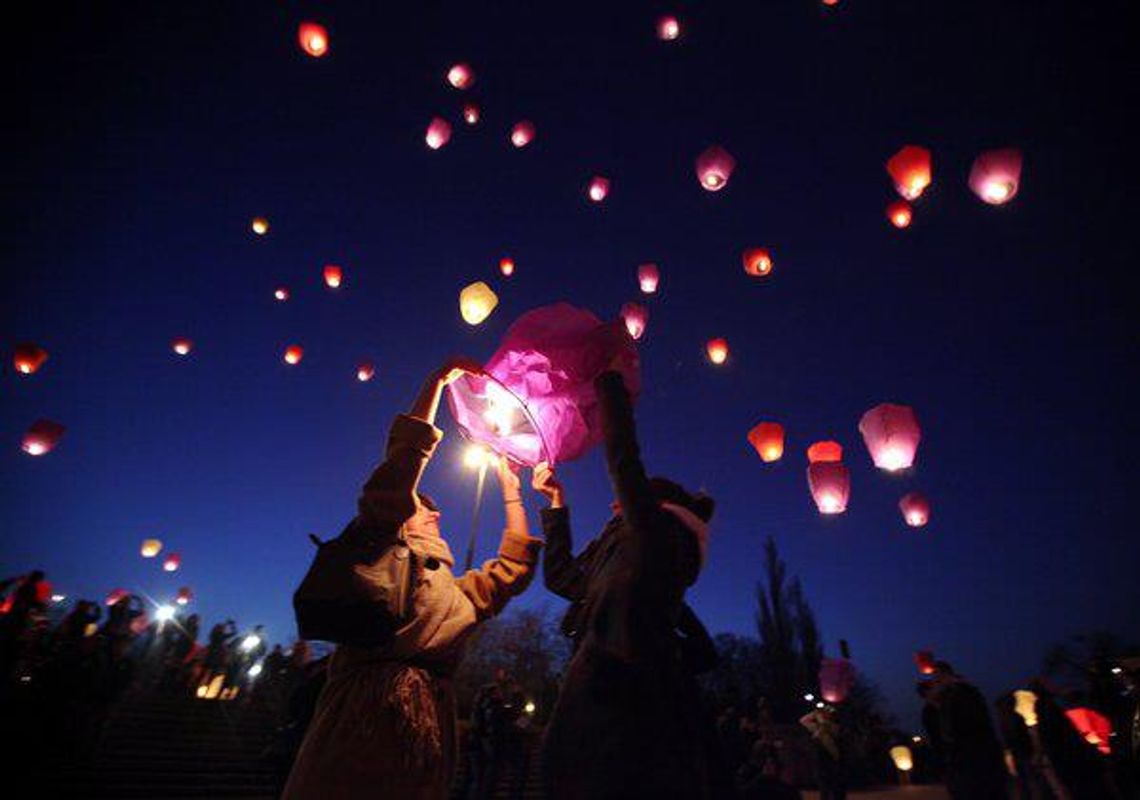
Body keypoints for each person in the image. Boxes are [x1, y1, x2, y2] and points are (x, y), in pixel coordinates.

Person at [282, 358, 543, 800]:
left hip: (428, 735)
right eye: (424, 507)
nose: (437, 512)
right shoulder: (380, 549)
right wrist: (437, 381)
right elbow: (402, 462)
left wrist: (511, 488)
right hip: (363, 719)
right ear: (401, 518)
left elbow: (511, 570)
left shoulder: (457, 596)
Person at [540, 365, 721, 799]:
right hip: (589, 703)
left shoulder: (658, 539)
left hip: (629, 709)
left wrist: (607, 384)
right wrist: (556, 506)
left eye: (621, 502)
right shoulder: (617, 559)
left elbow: (624, 461)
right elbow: (562, 577)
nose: (612, 505)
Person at [928, 662, 1009, 800]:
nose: (934, 683)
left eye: (937, 678)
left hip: (974, 757)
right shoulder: (951, 697)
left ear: (946, 676)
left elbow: (969, 725)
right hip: (965, 757)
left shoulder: (963, 694)